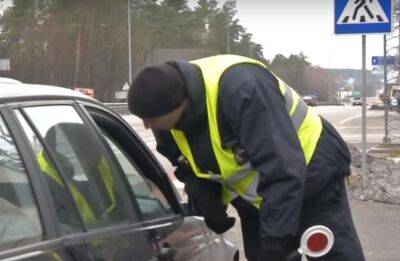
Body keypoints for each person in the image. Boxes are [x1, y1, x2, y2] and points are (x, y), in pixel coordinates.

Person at [128, 54, 365, 261]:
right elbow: (184, 164)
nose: (147, 126)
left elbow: (282, 170)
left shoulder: (242, 87)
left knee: (330, 253)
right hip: (257, 197)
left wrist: (276, 242)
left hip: (313, 177)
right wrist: (206, 197)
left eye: (151, 119)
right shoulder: (163, 115)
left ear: (180, 104)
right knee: (263, 252)